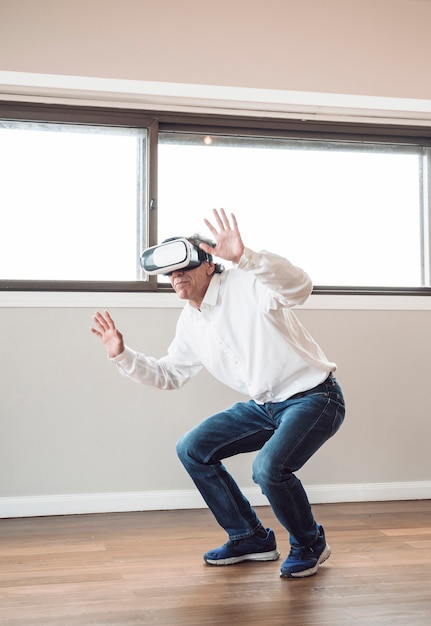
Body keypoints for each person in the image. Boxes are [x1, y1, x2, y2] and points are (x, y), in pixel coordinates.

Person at [91, 208, 345, 578]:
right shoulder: (191, 321)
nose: (176, 277)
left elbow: (300, 287)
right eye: (170, 272)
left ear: (209, 265)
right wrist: (122, 356)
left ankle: (310, 543)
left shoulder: (247, 283)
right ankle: (249, 536)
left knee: (268, 468)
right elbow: (169, 374)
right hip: (265, 407)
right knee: (192, 448)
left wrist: (247, 257)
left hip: (314, 397)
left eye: (184, 267)